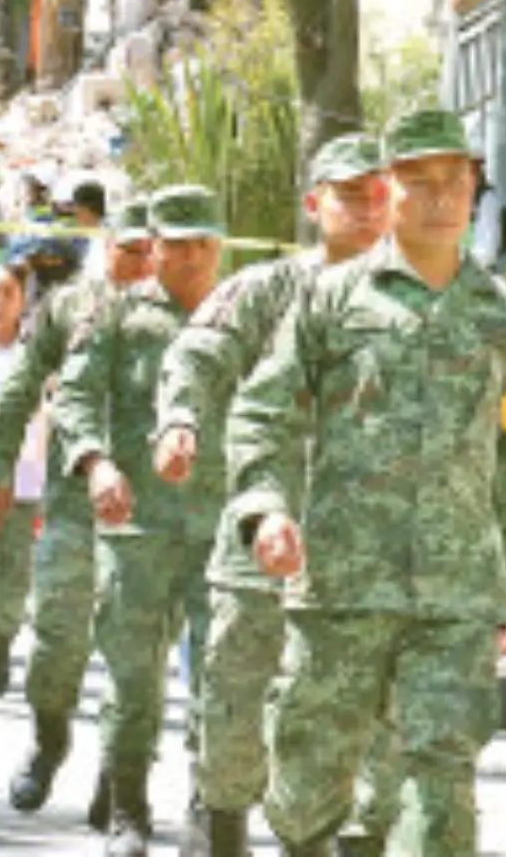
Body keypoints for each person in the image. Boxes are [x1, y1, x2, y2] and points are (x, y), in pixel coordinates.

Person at [225, 109, 506, 857]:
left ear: (475, 188)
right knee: (308, 790)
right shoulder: (332, 299)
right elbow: (262, 410)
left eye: (454, 181)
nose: (438, 198)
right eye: (417, 181)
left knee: (440, 783)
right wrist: (264, 509)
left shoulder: (502, 318)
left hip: (456, 594)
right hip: (341, 584)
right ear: (388, 189)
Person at [152, 133, 401, 856]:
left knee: (366, 729)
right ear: (313, 203)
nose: (365, 207)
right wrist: (180, 420)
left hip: (369, 551)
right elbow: (198, 353)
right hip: (265, 535)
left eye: (378, 192)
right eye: (349, 193)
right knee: (233, 714)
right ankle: (221, 826)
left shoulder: (420, 295)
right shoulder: (270, 288)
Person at [51, 184, 228, 857]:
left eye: (202, 243)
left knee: (222, 674)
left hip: (220, 529)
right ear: (151, 247)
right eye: (175, 243)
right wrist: (96, 463)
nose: (189, 257)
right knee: (132, 674)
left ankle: (209, 806)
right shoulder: (118, 317)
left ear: (220, 247)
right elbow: (74, 396)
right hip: (138, 524)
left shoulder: (244, 316)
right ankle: (128, 805)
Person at [0, 201, 156, 822]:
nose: (141, 261)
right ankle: (48, 738)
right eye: (129, 247)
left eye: (151, 249)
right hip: (72, 501)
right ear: (106, 243)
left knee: (134, 652)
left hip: (152, 514)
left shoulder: (184, 310)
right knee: (57, 635)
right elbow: (21, 384)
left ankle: (119, 775)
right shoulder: (68, 305)